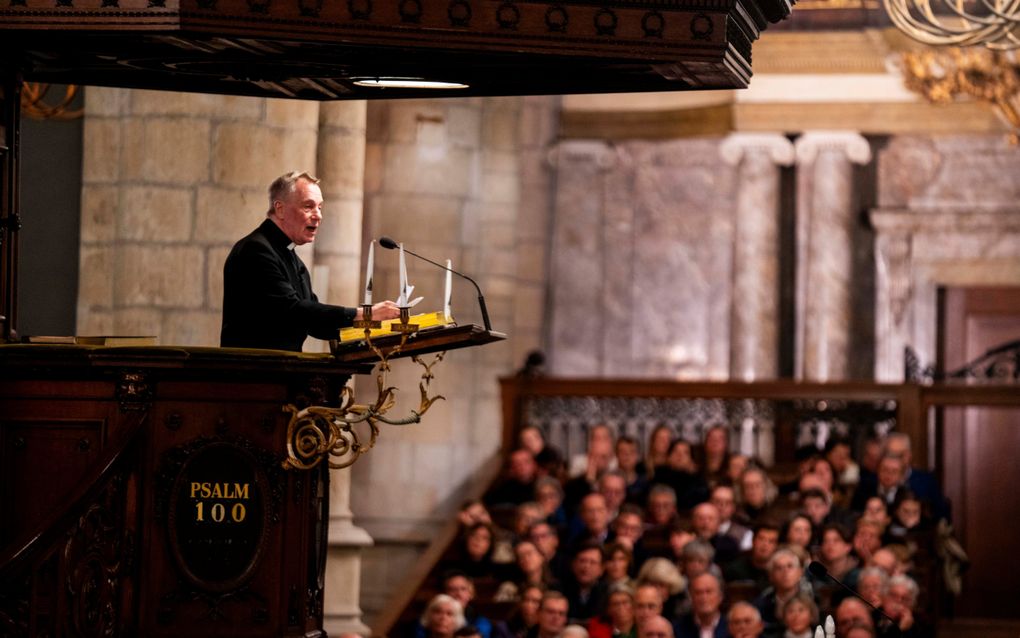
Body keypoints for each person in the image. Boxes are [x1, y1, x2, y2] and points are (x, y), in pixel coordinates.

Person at [221, 171, 399, 350]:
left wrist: (377, 326)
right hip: (252, 372)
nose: (318, 216)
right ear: (280, 209)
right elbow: (294, 312)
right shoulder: (256, 250)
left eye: (320, 208)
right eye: (308, 206)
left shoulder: (291, 257)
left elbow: (317, 324)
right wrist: (365, 314)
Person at [672, 573, 728, 638]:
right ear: (691, 597)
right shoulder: (677, 629)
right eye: (698, 593)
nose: (704, 597)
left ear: (720, 596)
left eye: (708, 592)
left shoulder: (731, 628)